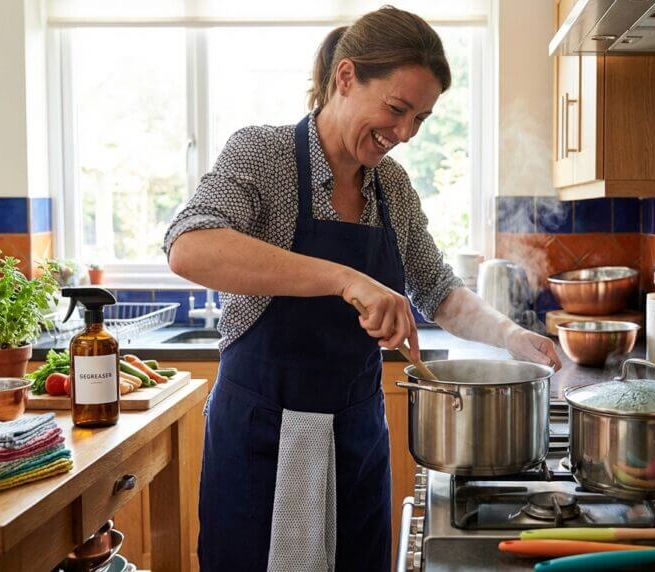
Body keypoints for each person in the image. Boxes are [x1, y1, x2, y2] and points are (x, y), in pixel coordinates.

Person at [164, 6, 561, 570]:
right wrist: (347, 279)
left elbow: (438, 290)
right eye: (397, 109)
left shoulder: (391, 186)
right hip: (263, 441)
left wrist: (513, 337)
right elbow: (189, 245)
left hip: (355, 439)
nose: (404, 134)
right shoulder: (263, 153)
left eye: (421, 119)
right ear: (346, 78)